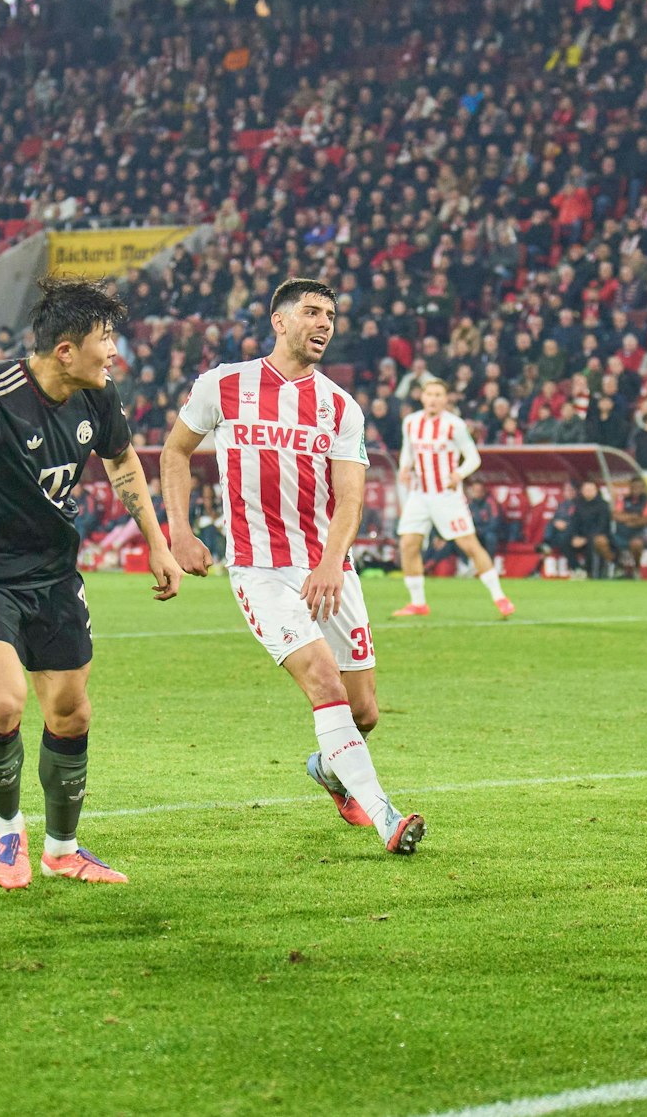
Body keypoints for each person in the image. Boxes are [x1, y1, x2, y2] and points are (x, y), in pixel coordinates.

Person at [0, 278, 182, 889]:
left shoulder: (99, 396)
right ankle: (9, 836)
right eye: (105, 341)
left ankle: (63, 848)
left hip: (52, 569)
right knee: (4, 703)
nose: (114, 353)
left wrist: (157, 543)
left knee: (72, 713)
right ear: (64, 351)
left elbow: (123, 461)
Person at [159, 278, 424, 855]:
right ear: (279, 322)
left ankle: (329, 770)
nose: (324, 323)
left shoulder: (339, 405)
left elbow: (351, 498)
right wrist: (178, 531)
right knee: (323, 683)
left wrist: (331, 563)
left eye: (331, 314)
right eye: (311, 312)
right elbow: (175, 451)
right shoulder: (223, 385)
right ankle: (387, 817)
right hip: (261, 570)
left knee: (364, 712)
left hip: (328, 569)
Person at [391, 378, 514, 618]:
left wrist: (459, 474)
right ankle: (418, 603)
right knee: (408, 544)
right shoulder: (411, 422)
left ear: (445, 400)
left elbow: (473, 458)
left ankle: (500, 597)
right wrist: (404, 467)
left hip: (446, 496)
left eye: (439, 394)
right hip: (419, 494)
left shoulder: (454, 425)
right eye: (430, 394)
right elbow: (408, 451)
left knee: (468, 544)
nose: (434, 399)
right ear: (422, 397)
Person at [563, 479, 617, 577]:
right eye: (586, 490)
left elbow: (602, 526)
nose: (588, 492)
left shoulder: (603, 505)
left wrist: (586, 539)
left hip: (597, 535)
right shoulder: (578, 505)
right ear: (582, 491)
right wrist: (574, 536)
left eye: (590, 490)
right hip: (580, 535)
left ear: (596, 491)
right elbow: (574, 522)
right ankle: (577, 568)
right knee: (564, 539)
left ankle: (592, 573)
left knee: (594, 542)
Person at [611, 477, 647, 576]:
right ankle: (619, 567)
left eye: (639, 487)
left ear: (643, 488)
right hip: (622, 532)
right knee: (605, 541)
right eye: (633, 486)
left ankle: (636, 568)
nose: (636, 489)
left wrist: (631, 521)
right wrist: (634, 516)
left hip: (641, 533)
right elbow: (615, 515)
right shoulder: (623, 500)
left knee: (636, 543)